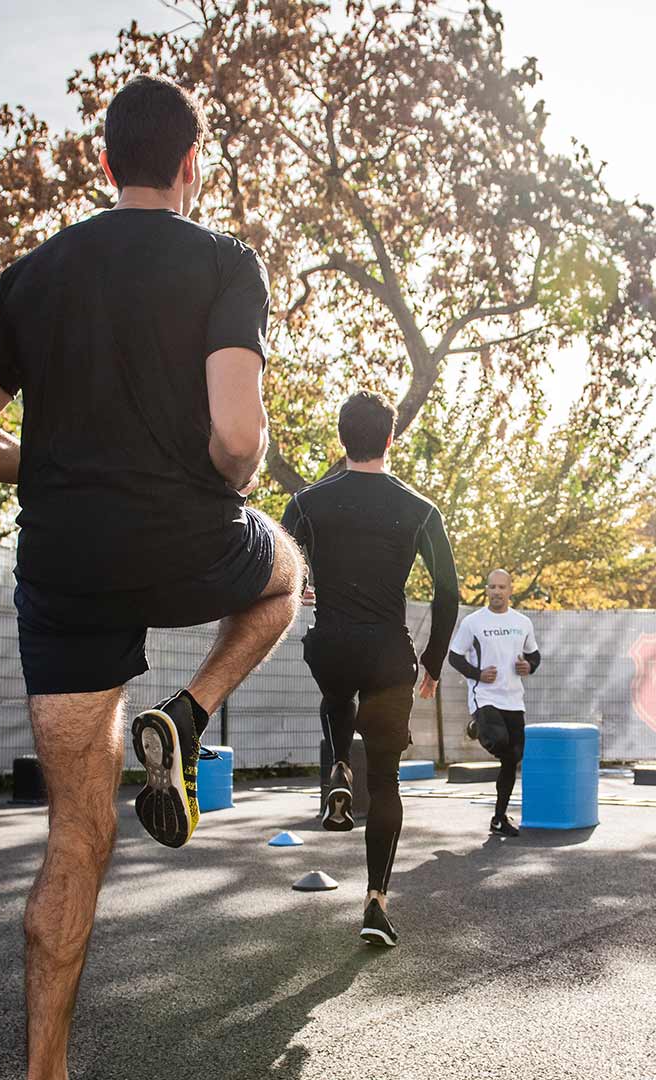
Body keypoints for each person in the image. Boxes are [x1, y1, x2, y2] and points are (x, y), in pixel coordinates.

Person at [0, 74, 301, 1080]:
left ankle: (43, 1067)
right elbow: (235, 435)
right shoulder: (227, 262)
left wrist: (42, 462)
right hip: (185, 541)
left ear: (103, 164)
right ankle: (187, 712)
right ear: (189, 166)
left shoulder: (36, 272)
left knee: (75, 840)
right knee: (285, 579)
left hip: (64, 571)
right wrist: (230, 476)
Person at [281, 391, 459, 948]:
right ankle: (376, 903)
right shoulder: (420, 509)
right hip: (389, 654)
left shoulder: (308, 503)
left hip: (331, 643)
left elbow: (277, 564)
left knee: (336, 693)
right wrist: (432, 663)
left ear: (341, 438)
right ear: (390, 438)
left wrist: (302, 587)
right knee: (386, 782)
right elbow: (449, 593)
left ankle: (336, 766)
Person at [446, 569, 541, 837]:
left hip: (513, 699)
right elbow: (454, 657)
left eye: (502, 587)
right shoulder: (473, 622)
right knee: (499, 743)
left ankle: (499, 819)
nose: (497, 592)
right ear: (487, 590)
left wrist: (528, 666)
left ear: (511, 590)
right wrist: (477, 674)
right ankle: (480, 725)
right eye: (492, 587)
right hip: (484, 697)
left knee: (513, 757)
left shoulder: (522, 622)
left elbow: (535, 655)